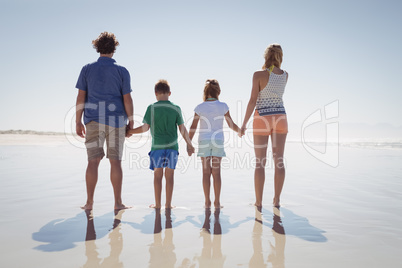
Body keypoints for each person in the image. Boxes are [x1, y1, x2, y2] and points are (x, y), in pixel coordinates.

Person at [75, 31, 134, 210]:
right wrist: (131, 122)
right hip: (116, 122)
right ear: (114, 49)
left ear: (97, 48)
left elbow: (80, 97)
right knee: (115, 161)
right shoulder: (122, 71)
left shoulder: (87, 69)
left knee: (93, 161)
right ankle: (117, 203)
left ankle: (89, 203)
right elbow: (127, 99)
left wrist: (78, 121)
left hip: (93, 121)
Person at [127, 79, 195, 209]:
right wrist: (189, 144)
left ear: (155, 93)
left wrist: (129, 131)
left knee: (158, 176)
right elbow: (182, 128)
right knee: (170, 176)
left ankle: (158, 205)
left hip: (157, 147)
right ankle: (168, 205)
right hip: (172, 148)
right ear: (169, 93)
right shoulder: (175, 108)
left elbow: (145, 128)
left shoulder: (151, 108)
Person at [240, 44, 289, 208]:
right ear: (280, 57)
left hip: (262, 117)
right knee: (279, 161)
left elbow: (253, 100)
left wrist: (244, 123)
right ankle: (276, 200)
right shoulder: (285, 75)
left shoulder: (258, 75)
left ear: (266, 56)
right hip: (281, 117)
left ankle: (259, 202)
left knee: (260, 162)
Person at [188, 79, 242, 209]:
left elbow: (193, 127)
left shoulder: (200, 107)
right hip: (217, 141)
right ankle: (217, 202)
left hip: (204, 141)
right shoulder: (223, 106)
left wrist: (189, 143)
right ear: (219, 92)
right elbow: (231, 124)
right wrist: (240, 131)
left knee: (206, 173)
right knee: (216, 173)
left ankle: (207, 202)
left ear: (205, 92)